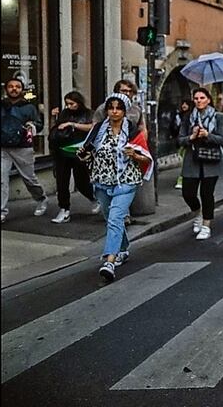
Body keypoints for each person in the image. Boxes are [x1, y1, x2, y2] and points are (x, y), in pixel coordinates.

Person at [78, 93, 152, 282]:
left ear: (125, 111)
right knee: (112, 219)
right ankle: (123, 248)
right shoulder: (97, 130)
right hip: (101, 182)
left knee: (114, 218)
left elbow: (146, 157)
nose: (114, 111)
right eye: (111, 107)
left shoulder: (133, 131)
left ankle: (109, 261)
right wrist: (83, 154)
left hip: (126, 182)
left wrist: (134, 155)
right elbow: (88, 154)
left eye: (118, 108)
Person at [178, 87, 223, 241]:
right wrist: (191, 137)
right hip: (192, 160)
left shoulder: (218, 116)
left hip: (211, 161)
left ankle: (206, 225)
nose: (199, 101)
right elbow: (180, 139)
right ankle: (197, 212)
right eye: (196, 98)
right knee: (188, 193)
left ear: (208, 99)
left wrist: (208, 135)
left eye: (202, 98)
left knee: (207, 194)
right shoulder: (188, 118)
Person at [1, 77, 47, 222]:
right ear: (6, 89)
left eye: (17, 87)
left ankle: (41, 198)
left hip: (23, 148)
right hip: (3, 148)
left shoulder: (29, 107)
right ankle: (2, 211)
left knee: (29, 179)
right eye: (11, 86)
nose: (14, 89)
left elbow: (39, 125)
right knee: (1, 180)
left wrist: (32, 125)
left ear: (22, 90)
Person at [49, 91, 96, 223]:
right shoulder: (64, 113)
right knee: (62, 182)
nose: (69, 106)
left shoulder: (88, 114)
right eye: (67, 104)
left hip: (78, 151)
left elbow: (92, 127)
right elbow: (56, 129)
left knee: (81, 181)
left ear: (79, 103)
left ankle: (94, 197)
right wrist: (54, 118)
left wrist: (72, 124)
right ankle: (64, 209)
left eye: (72, 103)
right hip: (62, 151)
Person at [169, 98, 193, 190]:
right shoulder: (179, 115)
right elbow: (174, 126)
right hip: (180, 141)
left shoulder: (190, 116)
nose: (184, 106)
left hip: (188, 142)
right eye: (183, 103)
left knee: (184, 162)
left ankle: (182, 180)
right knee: (183, 160)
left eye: (186, 104)